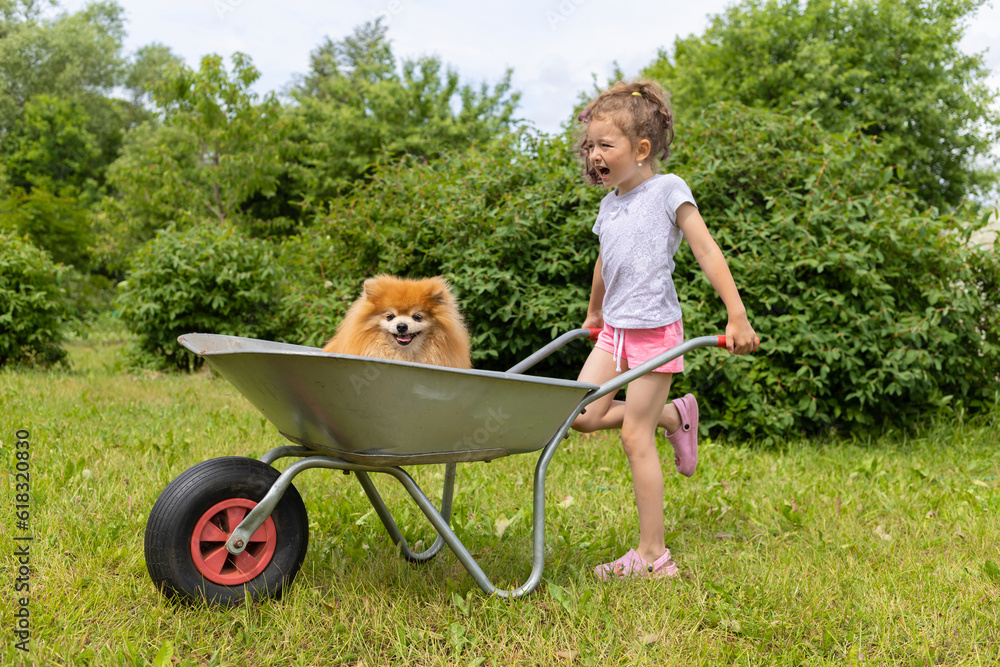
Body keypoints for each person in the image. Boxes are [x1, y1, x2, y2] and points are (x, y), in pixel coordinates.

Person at [571, 80, 760, 580]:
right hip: (615, 330)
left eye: (604, 145)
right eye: (590, 146)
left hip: (655, 329)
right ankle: (675, 416)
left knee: (635, 436)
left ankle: (654, 555)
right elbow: (604, 262)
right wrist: (594, 313)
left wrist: (735, 314)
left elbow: (705, 248)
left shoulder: (667, 189)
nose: (593, 155)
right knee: (580, 415)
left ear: (641, 149)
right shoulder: (609, 203)